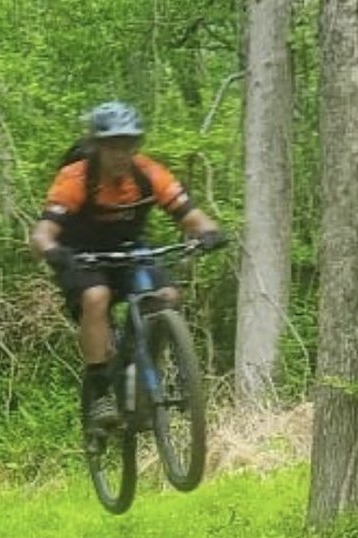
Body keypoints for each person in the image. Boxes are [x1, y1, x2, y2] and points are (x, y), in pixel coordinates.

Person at [29, 101, 224, 432]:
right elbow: (41, 235)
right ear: (97, 146)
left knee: (168, 295)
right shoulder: (75, 178)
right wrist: (54, 252)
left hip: (129, 251)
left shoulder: (148, 173)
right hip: (82, 255)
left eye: (128, 144)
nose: (121, 154)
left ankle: (141, 368)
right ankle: (101, 391)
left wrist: (209, 233)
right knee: (96, 296)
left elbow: (192, 216)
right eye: (112, 146)